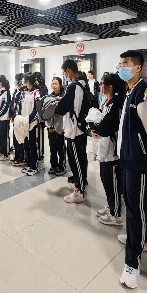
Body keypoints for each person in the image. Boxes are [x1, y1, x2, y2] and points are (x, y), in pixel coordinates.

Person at [116, 50, 147, 288]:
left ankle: (132, 265)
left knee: (136, 211)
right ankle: (145, 240)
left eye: (125, 64)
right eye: (120, 64)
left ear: (137, 67)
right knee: (133, 205)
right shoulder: (130, 91)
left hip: (138, 160)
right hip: (128, 157)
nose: (121, 67)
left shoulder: (144, 92)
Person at [92, 73, 126, 226]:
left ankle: (116, 213)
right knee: (105, 179)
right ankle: (111, 205)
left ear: (110, 87)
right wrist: (93, 128)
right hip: (103, 147)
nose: (100, 86)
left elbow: (107, 126)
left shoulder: (116, 103)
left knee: (112, 181)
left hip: (112, 150)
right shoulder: (106, 101)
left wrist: (97, 126)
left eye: (102, 83)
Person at [55, 60, 89, 203]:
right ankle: (78, 183)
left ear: (68, 70)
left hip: (74, 130)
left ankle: (80, 191)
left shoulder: (74, 86)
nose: (64, 75)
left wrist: (56, 105)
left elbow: (63, 107)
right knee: (80, 158)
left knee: (76, 161)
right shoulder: (83, 84)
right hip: (79, 128)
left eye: (64, 72)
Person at [17, 73, 40, 175]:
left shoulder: (36, 93)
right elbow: (22, 107)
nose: (23, 82)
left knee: (32, 145)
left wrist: (29, 119)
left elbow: (37, 109)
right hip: (24, 122)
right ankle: (28, 164)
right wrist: (21, 119)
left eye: (24, 80)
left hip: (32, 123)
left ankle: (34, 166)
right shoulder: (24, 93)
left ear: (28, 81)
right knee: (26, 144)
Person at [47, 77, 66, 176]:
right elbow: (47, 112)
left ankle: (62, 166)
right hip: (51, 126)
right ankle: (53, 165)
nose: (54, 86)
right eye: (53, 84)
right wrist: (49, 126)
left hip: (61, 126)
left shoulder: (65, 97)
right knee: (52, 147)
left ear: (60, 85)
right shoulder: (49, 97)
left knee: (60, 147)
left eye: (56, 84)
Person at [0, 75, 11, 162]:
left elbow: (5, 106)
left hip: (4, 118)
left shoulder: (6, 92)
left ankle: (6, 154)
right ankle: (1, 152)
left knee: (4, 136)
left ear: (0, 82)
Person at [11, 74, 27, 166]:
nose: (15, 82)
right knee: (15, 138)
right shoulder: (16, 91)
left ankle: (21, 158)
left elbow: (21, 106)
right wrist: (12, 116)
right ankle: (17, 156)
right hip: (15, 118)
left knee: (20, 139)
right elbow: (13, 104)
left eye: (16, 80)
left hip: (20, 118)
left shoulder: (24, 92)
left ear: (20, 81)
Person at [33, 72, 48, 162]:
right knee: (35, 136)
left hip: (40, 115)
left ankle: (40, 154)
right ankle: (37, 153)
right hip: (34, 115)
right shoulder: (35, 88)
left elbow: (41, 100)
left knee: (40, 135)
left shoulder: (43, 88)